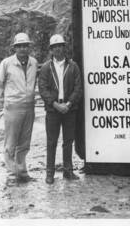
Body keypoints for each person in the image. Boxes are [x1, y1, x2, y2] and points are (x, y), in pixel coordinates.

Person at [0, 32, 38, 184]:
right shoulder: (7, 63)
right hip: (13, 106)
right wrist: (3, 101)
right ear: (15, 48)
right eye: (20, 46)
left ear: (29, 47)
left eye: (25, 46)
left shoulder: (34, 62)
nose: (23, 49)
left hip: (29, 106)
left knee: (25, 142)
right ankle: (12, 173)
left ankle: (22, 171)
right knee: (11, 141)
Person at [38, 34, 82, 184]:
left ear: (64, 47)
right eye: (54, 47)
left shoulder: (73, 66)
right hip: (53, 110)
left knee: (68, 141)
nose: (58, 49)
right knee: (51, 142)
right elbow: (42, 89)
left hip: (69, 109)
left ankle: (68, 171)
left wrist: (68, 104)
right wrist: (55, 104)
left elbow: (78, 88)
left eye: (60, 46)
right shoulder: (45, 68)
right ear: (51, 50)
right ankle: (49, 173)